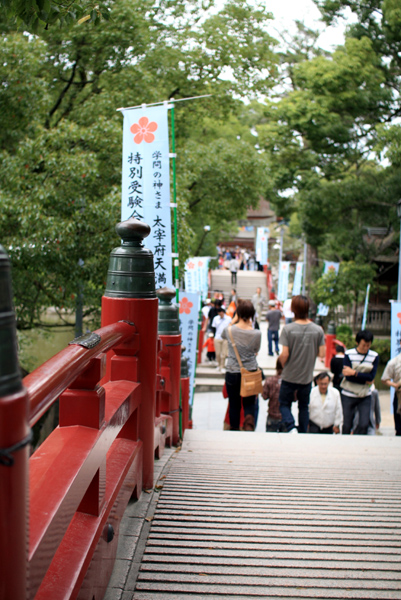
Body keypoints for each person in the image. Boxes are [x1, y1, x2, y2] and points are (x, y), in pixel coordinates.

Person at [278, 295, 325, 433]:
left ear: (293, 309)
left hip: (289, 376)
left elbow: (285, 354)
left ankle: (291, 426)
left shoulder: (288, 329)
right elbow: (322, 354)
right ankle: (303, 432)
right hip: (306, 377)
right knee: (304, 406)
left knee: (284, 404)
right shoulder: (318, 330)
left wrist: (281, 363)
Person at [222, 300, 261, 431]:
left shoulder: (230, 330)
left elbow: (222, 334)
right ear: (252, 315)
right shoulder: (256, 333)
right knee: (249, 403)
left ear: (237, 313)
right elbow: (256, 350)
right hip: (250, 372)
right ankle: (249, 427)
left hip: (232, 371)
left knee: (234, 404)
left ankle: (234, 431)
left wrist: (233, 321)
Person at [340, 329, 379, 435]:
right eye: (363, 345)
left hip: (365, 394)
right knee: (347, 424)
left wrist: (354, 372)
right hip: (348, 393)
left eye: (368, 345)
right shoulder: (349, 354)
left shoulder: (374, 356)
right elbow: (348, 377)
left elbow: (371, 377)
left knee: (364, 424)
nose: (366, 348)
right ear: (357, 343)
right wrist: (363, 377)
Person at [262, 358, 285, 432]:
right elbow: (295, 398)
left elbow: (264, 396)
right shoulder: (289, 382)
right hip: (285, 416)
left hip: (272, 415)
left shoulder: (270, 381)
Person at [381, 351, 401, 436]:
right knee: (399, 429)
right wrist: (396, 385)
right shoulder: (394, 362)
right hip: (399, 395)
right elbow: (384, 379)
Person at [211, 307, 231, 372]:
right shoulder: (216, 318)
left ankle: (222, 366)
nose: (221, 313)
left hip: (225, 338)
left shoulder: (228, 319)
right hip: (217, 337)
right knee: (218, 353)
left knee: (224, 353)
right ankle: (218, 365)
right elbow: (213, 328)